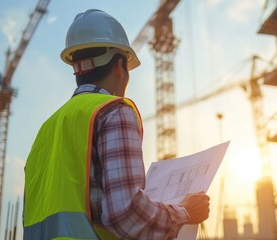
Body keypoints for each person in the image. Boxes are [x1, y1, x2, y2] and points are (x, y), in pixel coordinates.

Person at [23, 9, 210, 240]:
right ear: (120, 66)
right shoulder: (113, 111)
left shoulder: (46, 130)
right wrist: (184, 213)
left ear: (77, 68)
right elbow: (125, 213)